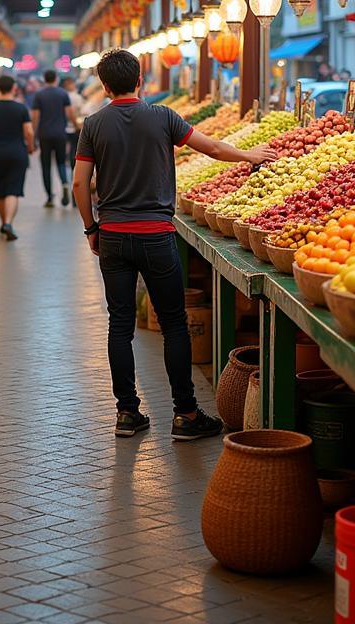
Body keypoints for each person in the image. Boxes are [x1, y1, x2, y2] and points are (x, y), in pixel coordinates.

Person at [72, 48, 277, 440]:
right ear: (140, 80)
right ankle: (185, 414)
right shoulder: (163, 117)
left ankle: (127, 414)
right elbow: (213, 149)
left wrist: (91, 228)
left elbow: (80, 183)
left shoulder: (93, 124)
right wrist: (250, 155)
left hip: (113, 236)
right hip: (157, 236)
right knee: (174, 325)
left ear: (104, 85)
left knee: (120, 325)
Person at [0, 75, 35, 241]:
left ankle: (4, 221)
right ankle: (9, 223)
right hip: (17, 152)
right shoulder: (21, 108)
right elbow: (29, 132)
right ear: (14, 89)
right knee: (13, 189)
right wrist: (30, 147)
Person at [32, 69, 76, 207]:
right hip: (60, 134)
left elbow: (35, 117)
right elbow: (70, 113)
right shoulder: (63, 94)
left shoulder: (39, 95)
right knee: (61, 162)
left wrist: (33, 136)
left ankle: (50, 197)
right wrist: (76, 125)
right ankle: (64, 183)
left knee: (46, 166)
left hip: (44, 135)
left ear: (44, 79)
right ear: (56, 79)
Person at [62, 76, 86, 168]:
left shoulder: (64, 96)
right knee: (76, 147)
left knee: (71, 146)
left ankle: (72, 164)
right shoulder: (77, 97)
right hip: (75, 125)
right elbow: (81, 111)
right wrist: (77, 124)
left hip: (66, 126)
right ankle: (74, 165)